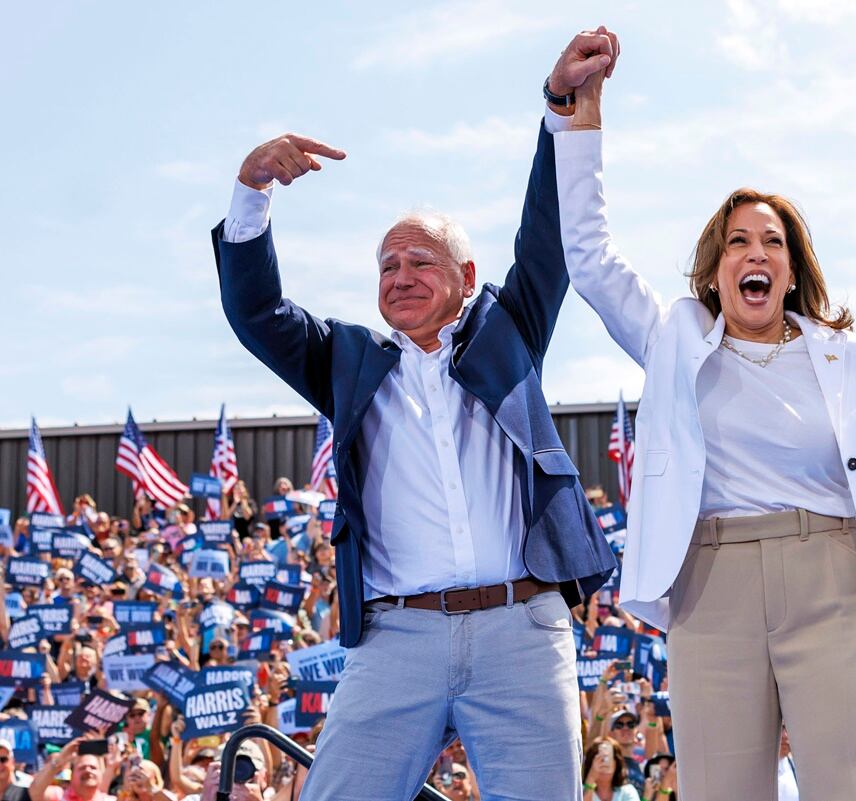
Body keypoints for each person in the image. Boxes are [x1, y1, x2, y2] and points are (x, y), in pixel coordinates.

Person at [545, 31, 856, 801]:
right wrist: (576, 115)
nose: (754, 252)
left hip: (831, 583)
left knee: (852, 788)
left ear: (790, 269)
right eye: (736, 241)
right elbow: (587, 254)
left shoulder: (852, 361)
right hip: (709, 585)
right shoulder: (672, 338)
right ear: (714, 267)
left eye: (771, 241)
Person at [211, 28, 619, 801]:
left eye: (419, 260)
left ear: (466, 275)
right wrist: (251, 190)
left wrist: (560, 107)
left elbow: (547, 236)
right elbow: (256, 313)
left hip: (521, 628)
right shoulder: (347, 361)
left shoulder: (509, 331)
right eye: (386, 264)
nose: (398, 274)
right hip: (396, 636)